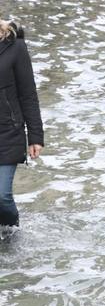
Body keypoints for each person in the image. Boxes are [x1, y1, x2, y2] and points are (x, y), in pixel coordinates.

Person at [0, 18, 44, 229]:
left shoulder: (15, 47)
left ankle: (11, 231)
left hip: (8, 131)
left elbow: (28, 94)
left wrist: (35, 135)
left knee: (2, 196)